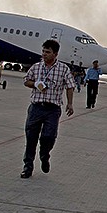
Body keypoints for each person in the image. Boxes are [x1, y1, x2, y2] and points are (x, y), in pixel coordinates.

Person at [20, 39, 75, 179]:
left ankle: (44, 155)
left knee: (49, 136)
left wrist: (70, 103)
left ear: (55, 54)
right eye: (43, 51)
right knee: (31, 137)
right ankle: (28, 166)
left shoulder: (63, 69)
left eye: (48, 52)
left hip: (52, 109)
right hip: (36, 107)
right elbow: (26, 80)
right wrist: (35, 83)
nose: (44, 54)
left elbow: (70, 86)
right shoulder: (36, 67)